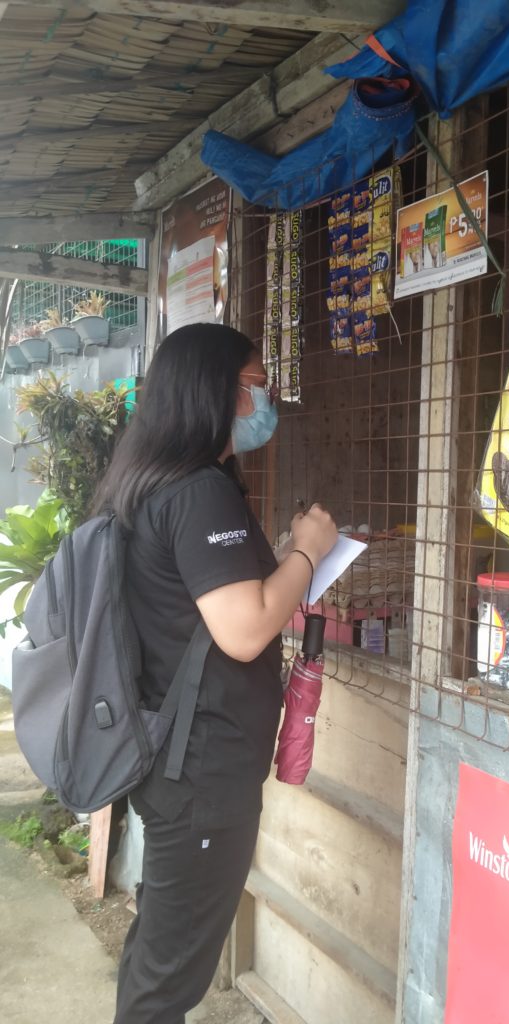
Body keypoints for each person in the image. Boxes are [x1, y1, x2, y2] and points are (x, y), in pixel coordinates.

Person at [95, 323, 338, 1024]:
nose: (268, 396)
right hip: (199, 772)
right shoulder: (198, 493)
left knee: (159, 953)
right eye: (259, 382)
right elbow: (246, 627)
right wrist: (308, 548)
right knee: (169, 980)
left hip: (177, 761)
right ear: (219, 390)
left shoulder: (150, 481)